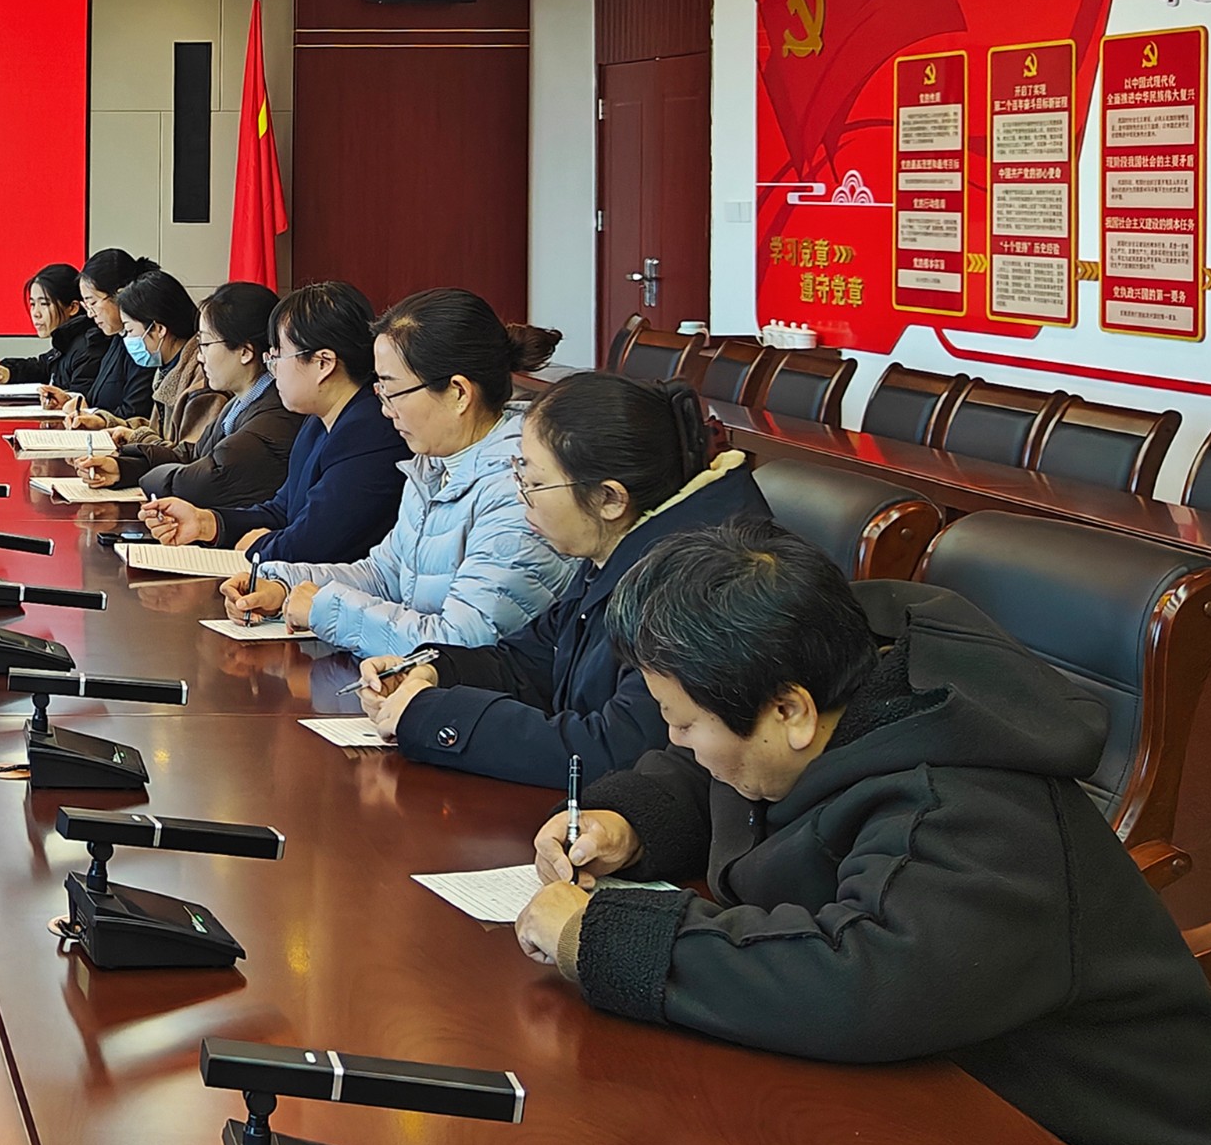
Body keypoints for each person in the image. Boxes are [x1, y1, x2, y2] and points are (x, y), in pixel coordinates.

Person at [513, 527, 1211, 1145]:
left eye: (684, 722)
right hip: (945, 1119)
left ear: (790, 710)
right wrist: (632, 821)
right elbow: (724, 770)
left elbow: (861, 978)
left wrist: (600, 935)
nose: (678, 742)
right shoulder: (831, 684)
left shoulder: (968, 809)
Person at [363, 373, 780, 782]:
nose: (522, 499)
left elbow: (616, 750)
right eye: (519, 475)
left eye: (535, 482)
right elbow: (532, 660)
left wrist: (435, 715)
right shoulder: (617, 546)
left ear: (609, 498)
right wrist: (434, 670)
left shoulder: (696, 587)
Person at [216, 288, 566, 655]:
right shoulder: (433, 465)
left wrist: (323, 609)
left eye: (393, 392)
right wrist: (283, 586)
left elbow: (462, 643)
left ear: (458, 393)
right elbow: (384, 575)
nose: (384, 409)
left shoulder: (518, 489)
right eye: (380, 390)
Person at [143, 281, 401, 573]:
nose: (271, 366)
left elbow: (313, 543)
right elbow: (281, 510)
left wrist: (259, 547)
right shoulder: (316, 422)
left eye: (277, 355)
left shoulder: (369, 433)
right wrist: (207, 523)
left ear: (323, 363)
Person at [87, 281, 298, 512]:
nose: (200, 356)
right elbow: (190, 455)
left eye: (205, 343)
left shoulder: (273, 416)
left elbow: (199, 484)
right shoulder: (239, 403)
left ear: (245, 352)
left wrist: (146, 480)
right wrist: (123, 469)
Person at [60, 268, 206, 444]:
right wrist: (104, 422)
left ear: (159, 329)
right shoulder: (167, 368)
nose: (127, 339)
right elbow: (156, 430)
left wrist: (134, 437)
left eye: (129, 330)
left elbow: (185, 453)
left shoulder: (199, 380)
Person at [59, 248, 155, 423]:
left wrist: (93, 416)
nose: (90, 314)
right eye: (87, 305)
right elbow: (98, 398)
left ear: (120, 295)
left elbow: (134, 414)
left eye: (93, 303)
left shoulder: (144, 345)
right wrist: (69, 399)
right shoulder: (117, 338)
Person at [0, 262, 103, 395]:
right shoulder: (66, 342)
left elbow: (78, 402)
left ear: (73, 307)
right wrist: (9, 372)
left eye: (44, 304)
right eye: (32, 304)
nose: (36, 313)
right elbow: (43, 368)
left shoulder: (88, 347)